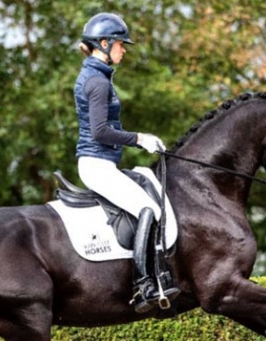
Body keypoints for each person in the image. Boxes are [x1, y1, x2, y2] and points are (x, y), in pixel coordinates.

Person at [75, 12, 179, 314]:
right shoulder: (97, 82)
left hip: (101, 163)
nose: (124, 50)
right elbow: (100, 131)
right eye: (121, 44)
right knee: (149, 209)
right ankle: (144, 284)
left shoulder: (97, 75)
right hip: (96, 165)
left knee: (148, 202)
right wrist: (139, 139)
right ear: (104, 43)